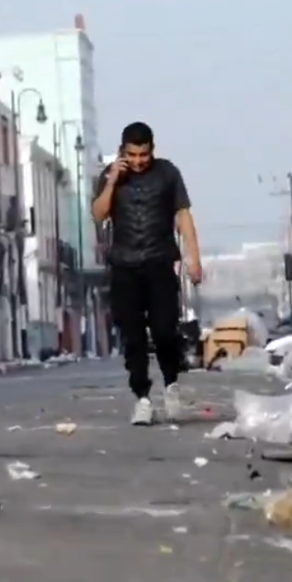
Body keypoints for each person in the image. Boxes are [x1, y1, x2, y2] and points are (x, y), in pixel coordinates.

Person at [92, 121, 203, 425]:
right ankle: (142, 398)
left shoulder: (168, 173)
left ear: (152, 150)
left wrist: (194, 259)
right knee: (133, 338)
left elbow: (183, 215)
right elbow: (99, 214)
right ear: (123, 151)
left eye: (144, 154)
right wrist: (113, 180)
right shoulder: (109, 177)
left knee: (165, 330)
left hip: (159, 263)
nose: (139, 160)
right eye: (133, 154)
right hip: (124, 267)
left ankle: (171, 386)